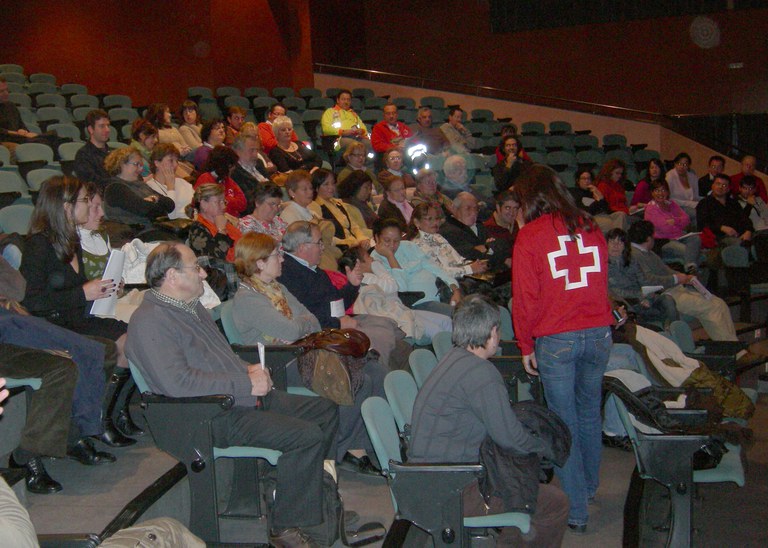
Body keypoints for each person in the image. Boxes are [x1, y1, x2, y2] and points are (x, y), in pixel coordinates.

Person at [126, 241, 339, 547]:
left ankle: (306, 497)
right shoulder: (151, 321)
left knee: (325, 410)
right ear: (172, 276)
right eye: (195, 268)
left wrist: (249, 369)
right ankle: (286, 528)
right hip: (204, 415)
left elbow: (222, 356)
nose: (203, 274)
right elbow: (177, 384)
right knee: (305, 436)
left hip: (231, 399)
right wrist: (244, 383)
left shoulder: (191, 307)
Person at [409, 295, 569, 547]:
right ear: (492, 333)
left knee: (539, 482)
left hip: (427, 479)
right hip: (453, 489)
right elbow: (510, 438)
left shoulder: (453, 358)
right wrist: (543, 448)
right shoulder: (481, 373)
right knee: (555, 503)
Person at [512, 164, 614, 532]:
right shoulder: (589, 225)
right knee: (589, 414)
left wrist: (525, 343)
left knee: (563, 422)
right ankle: (588, 488)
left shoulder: (530, 235)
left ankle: (576, 511)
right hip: (599, 332)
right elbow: (601, 279)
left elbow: (525, 297)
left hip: (557, 338)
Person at [230, 233, 383, 473]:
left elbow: (311, 318)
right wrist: (299, 324)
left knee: (374, 369)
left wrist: (299, 324)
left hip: (301, 351)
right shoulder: (248, 298)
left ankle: (371, 441)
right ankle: (341, 450)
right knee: (356, 380)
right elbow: (293, 329)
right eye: (276, 255)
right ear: (260, 263)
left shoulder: (277, 288)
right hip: (280, 363)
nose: (282, 259)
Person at [20, 176, 137, 448]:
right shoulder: (38, 245)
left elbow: (75, 290)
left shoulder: (71, 242)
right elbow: (31, 301)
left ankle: (109, 414)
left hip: (76, 318)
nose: (90, 205)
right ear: (66, 207)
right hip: (51, 325)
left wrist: (104, 289)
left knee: (133, 338)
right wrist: (83, 293)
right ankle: (88, 428)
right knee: (105, 348)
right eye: (85, 200)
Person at [1, 256, 114, 472]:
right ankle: (26, 455)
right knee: (60, 367)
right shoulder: (39, 246)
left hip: (15, 327)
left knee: (103, 349)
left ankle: (74, 434)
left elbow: (17, 289)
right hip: (9, 337)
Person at [278, 221, 406, 371]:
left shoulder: (313, 270)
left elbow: (337, 304)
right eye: (319, 242)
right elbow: (305, 317)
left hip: (337, 323)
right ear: (302, 247)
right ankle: (380, 373)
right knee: (384, 337)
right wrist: (338, 324)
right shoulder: (287, 274)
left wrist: (352, 285)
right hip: (324, 332)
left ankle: (389, 374)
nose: (323, 247)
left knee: (392, 332)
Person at [628, 220, 738, 341]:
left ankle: (732, 344)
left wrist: (683, 277)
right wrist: (676, 278)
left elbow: (666, 270)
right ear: (649, 238)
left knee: (719, 303)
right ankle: (731, 346)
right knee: (713, 307)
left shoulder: (648, 253)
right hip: (664, 296)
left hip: (673, 289)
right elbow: (648, 281)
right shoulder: (634, 255)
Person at [371, 217, 459, 316]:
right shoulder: (375, 261)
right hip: (419, 305)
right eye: (387, 240)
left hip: (443, 293)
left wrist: (455, 288)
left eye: (396, 240)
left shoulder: (408, 246)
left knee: (470, 305)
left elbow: (434, 267)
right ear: (377, 238)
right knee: (460, 314)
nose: (392, 245)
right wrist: (390, 257)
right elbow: (401, 290)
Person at [606, 228, 679, 326]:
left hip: (644, 298)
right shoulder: (603, 266)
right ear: (606, 244)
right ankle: (667, 327)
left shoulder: (632, 261)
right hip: (628, 303)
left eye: (620, 242)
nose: (616, 245)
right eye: (612, 241)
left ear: (625, 246)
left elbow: (644, 281)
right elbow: (614, 291)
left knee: (668, 300)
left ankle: (674, 329)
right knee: (662, 313)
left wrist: (648, 298)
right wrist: (640, 296)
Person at [280, 170, 343, 271]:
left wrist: (347, 242)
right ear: (292, 192)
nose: (310, 192)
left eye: (310, 188)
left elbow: (328, 238)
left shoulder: (311, 211)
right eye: (304, 189)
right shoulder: (289, 214)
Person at [409, 201, 487, 279]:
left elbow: (458, 261)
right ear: (417, 222)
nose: (435, 222)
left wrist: (475, 264)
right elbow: (438, 272)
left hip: (460, 278)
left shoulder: (438, 237)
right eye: (429, 219)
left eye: (436, 218)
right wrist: (469, 269)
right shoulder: (417, 245)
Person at [103, 146, 175, 228]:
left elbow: (170, 205)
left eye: (141, 165)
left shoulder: (141, 185)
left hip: (153, 229)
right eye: (136, 164)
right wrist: (157, 204)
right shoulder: (115, 189)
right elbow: (146, 210)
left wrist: (153, 199)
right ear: (121, 164)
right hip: (136, 233)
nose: (141, 169)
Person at [440, 192, 510, 271]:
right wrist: (500, 257)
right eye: (468, 208)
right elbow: (470, 257)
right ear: (455, 209)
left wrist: (485, 248)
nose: (473, 213)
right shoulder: (448, 230)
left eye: (476, 209)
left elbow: (503, 245)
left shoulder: (479, 226)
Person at [643, 180, 700, 273]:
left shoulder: (671, 204)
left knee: (695, 238)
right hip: (663, 241)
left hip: (678, 236)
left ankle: (690, 266)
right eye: (657, 190)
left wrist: (675, 221)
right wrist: (678, 225)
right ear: (652, 193)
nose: (660, 193)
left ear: (667, 192)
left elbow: (686, 219)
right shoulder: (651, 208)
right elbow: (664, 228)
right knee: (688, 251)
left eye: (663, 190)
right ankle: (690, 270)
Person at [309, 169, 370, 249]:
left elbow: (354, 226)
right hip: (339, 248)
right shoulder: (316, 207)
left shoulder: (338, 203)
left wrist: (362, 239)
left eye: (333, 183)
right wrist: (348, 243)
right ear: (317, 188)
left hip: (355, 244)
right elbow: (326, 236)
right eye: (326, 184)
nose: (331, 187)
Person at [186, 183, 242, 263]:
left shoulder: (226, 222)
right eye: (218, 202)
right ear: (204, 204)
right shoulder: (197, 230)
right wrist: (221, 231)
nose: (224, 207)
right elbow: (215, 261)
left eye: (224, 202)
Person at [696, 173, 753, 247]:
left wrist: (748, 231)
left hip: (741, 234)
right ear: (712, 186)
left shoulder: (733, 202)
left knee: (761, 240)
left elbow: (744, 218)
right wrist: (722, 228)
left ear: (728, 189)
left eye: (724, 185)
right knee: (742, 245)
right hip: (720, 237)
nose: (720, 187)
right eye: (718, 184)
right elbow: (702, 224)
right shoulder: (704, 203)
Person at [145, 143, 195, 220]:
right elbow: (170, 217)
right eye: (171, 160)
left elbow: (196, 208)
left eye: (177, 161)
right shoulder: (149, 187)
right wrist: (171, 188)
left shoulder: (182, 182)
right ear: (157, 163)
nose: (175, 165)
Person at [194, 145, 247, 217]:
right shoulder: (205, 178)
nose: (234, 168)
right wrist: (230, 200)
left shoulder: (228, 180)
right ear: (224, 165)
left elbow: (243, 204)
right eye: (231, 165)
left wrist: (226, 200)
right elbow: (211, 207)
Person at [570, 167, 627, 232]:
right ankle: (618, 236)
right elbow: (586, 212)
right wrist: (597, 201)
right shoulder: (575, 192)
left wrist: (601, 196)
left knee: (621, 214)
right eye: (584, 178)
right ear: (578, 180)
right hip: (591, 217)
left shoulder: (594, 191)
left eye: (589, 178)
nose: (587, 181)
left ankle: (617, 236)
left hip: (604, 215)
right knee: (611, 223)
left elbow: (607, 210)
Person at [231, 133, 270, 214]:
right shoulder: (234, 171)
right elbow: (247, 201)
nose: (256, 154)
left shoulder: (259, 163)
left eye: (257, 150)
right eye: (251, 150)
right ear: (238, 151)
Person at [74, 109, 112, 189]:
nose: (107, 130)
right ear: (91, 129)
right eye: (102, 126)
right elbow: (92, 182)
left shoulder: (114, 152)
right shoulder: (83, 155)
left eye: (108, 126)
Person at [665, 152, 700, 217]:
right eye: (679, 164)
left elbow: (696, 196)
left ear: (688, 166)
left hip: (690, 205)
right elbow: (669, 198)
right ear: (675, 164)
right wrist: (690, 204)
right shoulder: (669, 176)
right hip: (675, 206)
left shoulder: (693, 177)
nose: (681, 167)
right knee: (696, 213)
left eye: (685, 164)